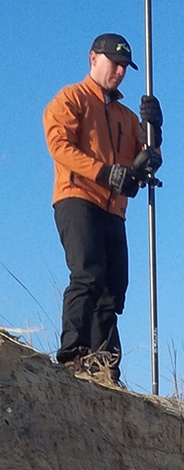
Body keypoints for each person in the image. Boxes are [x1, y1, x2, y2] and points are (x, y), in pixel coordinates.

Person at [43, 34, 163, 386]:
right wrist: (105, 172)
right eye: (115, 63)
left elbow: (149, 157)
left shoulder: (127, 116)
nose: (121, 71)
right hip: (77, 197)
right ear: (93, 58)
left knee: (114, 288)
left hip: (114, 210)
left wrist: (156, 129)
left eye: (125, 66)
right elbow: (59, 146)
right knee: (88, 273)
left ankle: (105, 366)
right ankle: (73, 354)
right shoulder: (71, 99)